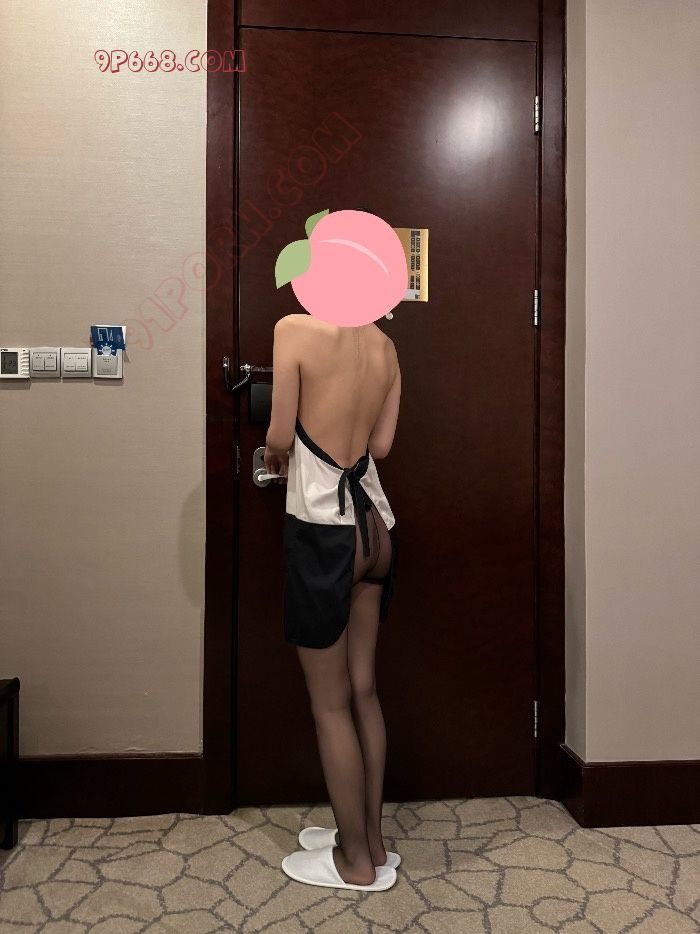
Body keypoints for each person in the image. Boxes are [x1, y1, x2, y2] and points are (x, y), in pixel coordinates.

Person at [264, 312, 401, 892]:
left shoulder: (293, 330)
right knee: (363, 690)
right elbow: (380, 446)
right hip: (376, 530)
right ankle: (372, 840)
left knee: (330, 706)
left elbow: (278, 435)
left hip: (325, 535)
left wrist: (277, 455)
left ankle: (355, 862)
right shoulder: (386, 346)